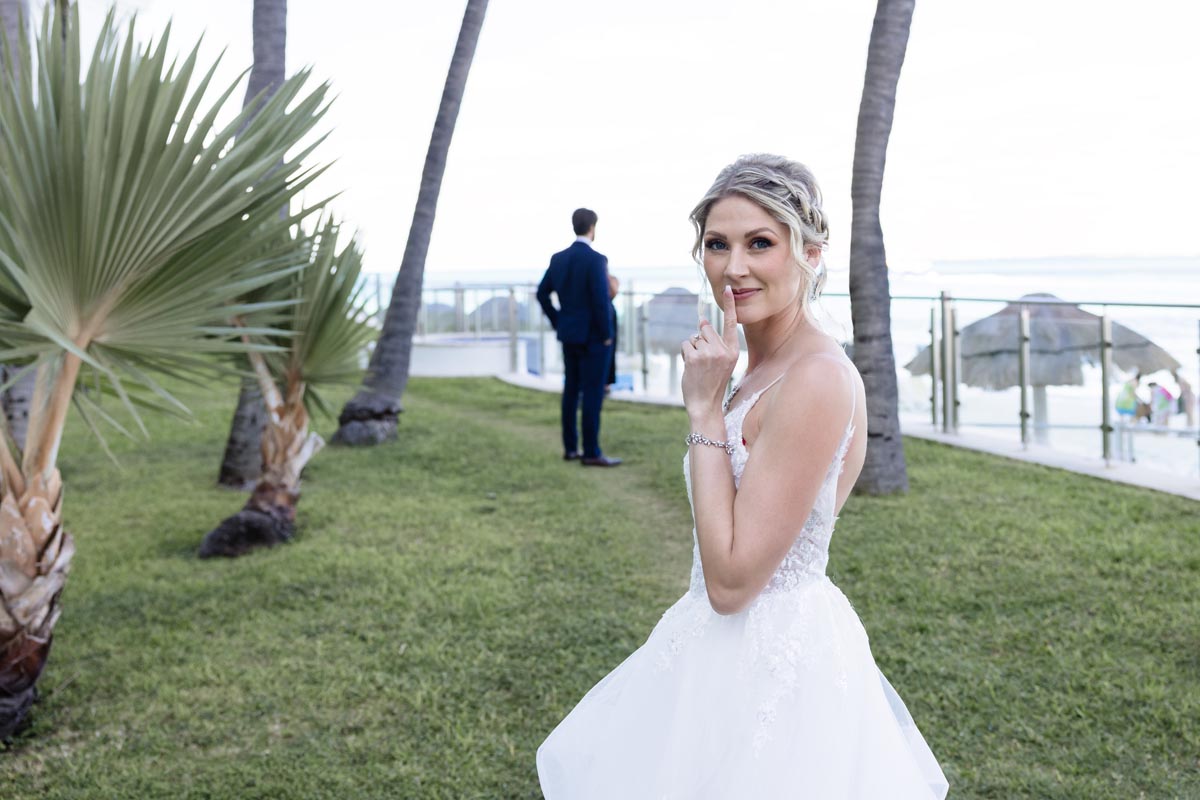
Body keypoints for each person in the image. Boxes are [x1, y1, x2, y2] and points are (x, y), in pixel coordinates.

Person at [538, 155, 947, 798]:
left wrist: (703, 410)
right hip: (713, 649)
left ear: (811, 252)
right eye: (717, 245)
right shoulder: (756, 369)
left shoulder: (816, 377)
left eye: (760, 243)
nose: (733, 267)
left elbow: (731, 584)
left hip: (772, 664)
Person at [537, 208, 621, 467]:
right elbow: (600, 300)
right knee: (593, 395)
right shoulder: (596, 260)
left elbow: (542, 293)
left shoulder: (558, 258)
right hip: (595, 338)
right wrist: (606, 335)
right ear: (592, 228)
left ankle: (571, 449)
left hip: (569, 336)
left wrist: (558, 321)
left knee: (571, 392)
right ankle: (591, 452)